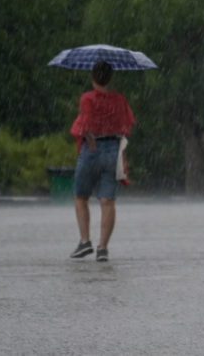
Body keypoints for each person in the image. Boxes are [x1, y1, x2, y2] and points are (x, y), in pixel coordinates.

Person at [68, 61, 135, 262]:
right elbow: (127, 124)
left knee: (81, 196)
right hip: (113, 149)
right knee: (107, 201)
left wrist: (90, 139)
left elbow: (85, 123)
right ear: (110, 78)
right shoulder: (119, 100)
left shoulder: (87, 98)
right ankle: (103, 248)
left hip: (93, 148)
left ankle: (85, 241)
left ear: (93, 77)